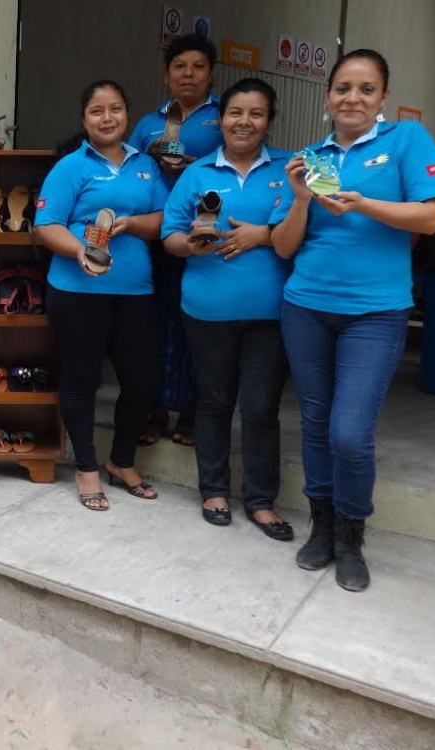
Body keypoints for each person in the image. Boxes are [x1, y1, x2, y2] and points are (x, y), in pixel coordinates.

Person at [271, 49, 435, 591]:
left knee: (349, 433)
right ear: (328, 96)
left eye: (366, 89)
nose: (352, 98)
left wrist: (362, 204)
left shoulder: (405, 143)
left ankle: (352, 533)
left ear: (382, 98)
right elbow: (284, 247)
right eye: (343, 88)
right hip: (305, 305)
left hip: (375, 312)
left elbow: (431, 217)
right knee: (313, 422)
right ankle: (321, 525)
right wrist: (302, 200)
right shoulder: (312, 156)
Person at [162, 78, 293, 540]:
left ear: (269, 121)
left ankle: (260, 501)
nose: (244, 122)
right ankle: (213, 491)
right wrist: (191, 247)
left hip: (271, 314)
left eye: (256, 114)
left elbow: (301, 231)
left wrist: (263, 233)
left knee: (260, 407)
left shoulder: (288, 170)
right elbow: (170, 235)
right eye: (236, 112)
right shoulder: (197, 173)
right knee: (213, 402)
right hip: (207, 309)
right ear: (221, 119)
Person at [34, 80, 165, 511]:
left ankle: (121, 460)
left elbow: (166, 219)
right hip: (77, 290)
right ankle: (87, 467)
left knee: (142, 380)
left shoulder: (145, 165)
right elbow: (45, 225)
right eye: (96, 111)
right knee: (82, 378)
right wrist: (78, 251)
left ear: (128, 115)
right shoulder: (71, 167)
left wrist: (133, 224)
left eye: (115, 109)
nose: (106, 118)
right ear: (84, 119)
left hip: (135, 292)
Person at [130, 33, 224, 448]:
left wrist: (194, 167)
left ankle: (190, 410)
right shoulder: (149, 123)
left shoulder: (223, 119)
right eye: (179, 67)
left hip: (201, 235)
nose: (188, 74)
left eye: (197, 66)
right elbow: (129, 172)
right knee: (152, 324)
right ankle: (152, 409)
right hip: (153, 236)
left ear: (211, 74)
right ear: (167, 76)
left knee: (194, 326)